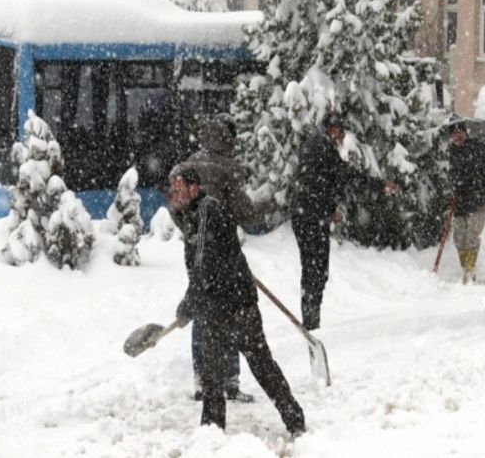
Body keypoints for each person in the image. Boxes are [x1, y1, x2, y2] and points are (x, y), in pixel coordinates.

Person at [169, 166, 306, 436]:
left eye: (179, 188)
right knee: (215, 375)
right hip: (219, 303)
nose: (174, 194)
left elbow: (202, 268)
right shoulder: (197, 212)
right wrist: (197, 301)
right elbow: (210, 262)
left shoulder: (206, 213)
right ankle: (213, 432)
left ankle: (293, 421)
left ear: (194, 188)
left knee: (259, 365)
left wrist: (187, 307)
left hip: (235, 305)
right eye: (172, 189)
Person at [170, 114, 273, 403]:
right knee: (230, 313)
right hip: (224, 257)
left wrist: (193, 232)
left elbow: (174, 206)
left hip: (198, 251)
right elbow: (246, 212)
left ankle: (203, 379)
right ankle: (229, 381)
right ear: (229, 137)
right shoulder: (229, 167)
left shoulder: (190, 163)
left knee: (202, 307)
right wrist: (269, 202)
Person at [290, 112, 398, 330]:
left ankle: (311, 318)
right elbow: (344, 176)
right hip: (311, 217)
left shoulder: (315, 145)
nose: (342, 137)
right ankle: (311, 322)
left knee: (313, 268)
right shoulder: (323, 148)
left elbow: (318, 183)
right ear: (332, 130)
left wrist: (330, 209)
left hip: (306, 215)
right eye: (341, 131)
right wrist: (379, 185)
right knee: (316, 270)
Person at [447, 120, 485, 284]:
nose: (457, 137)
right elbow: (447, 177)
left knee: (472, 235)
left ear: (465, 132)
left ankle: (470, 270)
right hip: (459, 202)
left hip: (477, 199)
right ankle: (465, 267)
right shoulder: (450, 153)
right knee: (459, 237)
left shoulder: (478, 148)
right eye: (453, 134)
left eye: (459, 132)